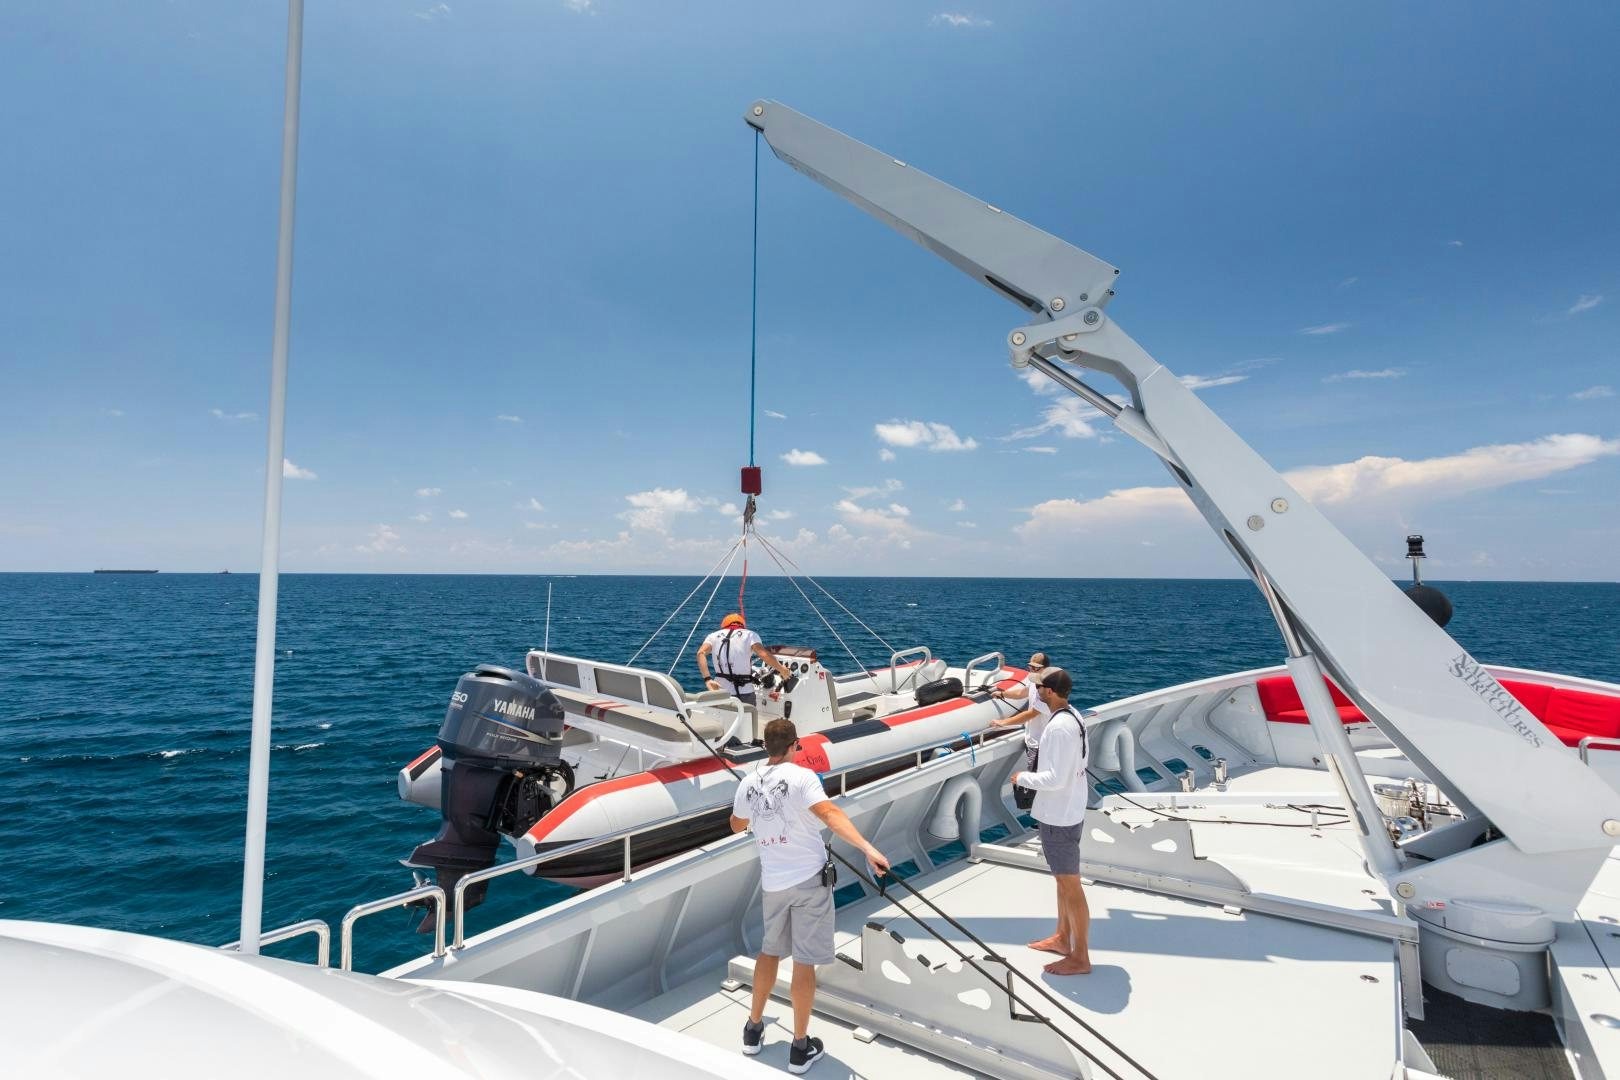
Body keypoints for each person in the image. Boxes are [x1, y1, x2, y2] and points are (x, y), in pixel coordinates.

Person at [731, 717, 891, 1073]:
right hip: (808, 884)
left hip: (773, 884)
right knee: (804, 962)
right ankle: (800, 1048)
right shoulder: (803, 778)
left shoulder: (748, 782)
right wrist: (868, 849)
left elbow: (736, 824)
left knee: (769, 952)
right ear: (794, 745)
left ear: (766, 746)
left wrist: (755, 811)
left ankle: (753, 1030)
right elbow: (830, 814)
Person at [1008, 667, 1092, 976]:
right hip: (1071, 808)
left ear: (1051, 693)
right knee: (1062, 879)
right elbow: (1079, 765)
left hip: (1058, 815)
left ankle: (1080, 956)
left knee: (1070, 884)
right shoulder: (1075, 717)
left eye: (1040, 687)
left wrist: (1022, 777)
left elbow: (1055, 778)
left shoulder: (1057, 728)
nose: (1036, 691)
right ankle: (1061, 937)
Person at [989, 652, 1052, 804]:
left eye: (1036, 668)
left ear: (1045, 669)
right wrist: (1002, 694)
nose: (1032, 670)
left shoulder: (1046, 687)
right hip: (1033, 742)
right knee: (1036, 779)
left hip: (1041, 744)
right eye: (1031, 666)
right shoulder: (1033, 681)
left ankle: (1042, 817)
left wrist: (1004, 722)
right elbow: (1022, 693)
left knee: (1039, 781)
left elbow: (1032, 713)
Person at [698, 613, 793, 707]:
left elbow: (700, 653)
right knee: (747, 720)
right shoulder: (750, 635)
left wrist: (707, 679)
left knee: (726, 720)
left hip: (719, 690)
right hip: (745, 691)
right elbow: (763, 654)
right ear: (742, 625)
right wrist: (783, 670)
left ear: (723, 625)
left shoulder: (712, 636)